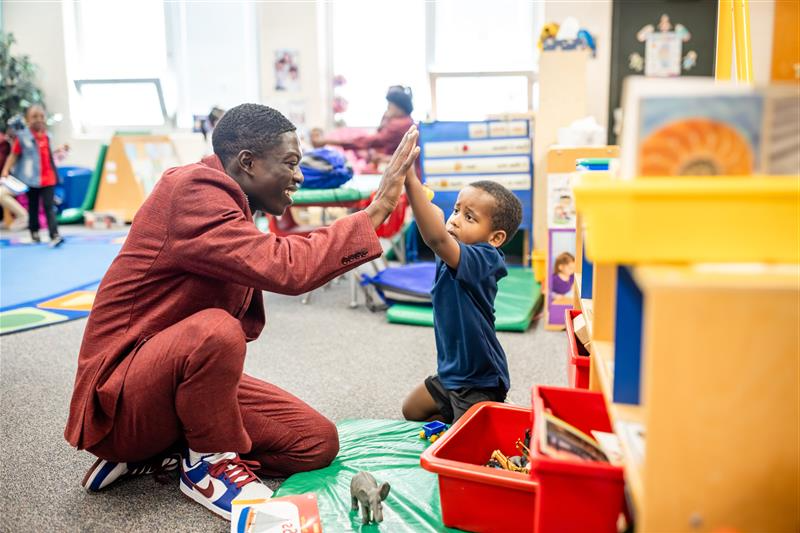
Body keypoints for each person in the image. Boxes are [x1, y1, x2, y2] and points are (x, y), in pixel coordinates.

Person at [67, 103, 420, 520]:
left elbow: (283, 254)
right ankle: (206, 465)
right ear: (247, 162)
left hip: (171, 379)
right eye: (290, 163)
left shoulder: (229, 203)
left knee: (316, 442)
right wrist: (376, 209)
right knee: (216, 331)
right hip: (120, 401)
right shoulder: (193, 191)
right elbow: (288, 266)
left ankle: (166, 451)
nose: (299, 176)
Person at [400, 166, 523, 424]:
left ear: (495, 237)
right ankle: (467, 415)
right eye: (457, 210)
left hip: (478, 378)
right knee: (411, 410)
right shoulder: (452, 247)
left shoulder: (485, 258)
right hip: (451, 372)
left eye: (469, 217)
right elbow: (435, 222)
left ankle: (493, 406)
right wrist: (419, 190)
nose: (455, 219)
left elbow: (436, 239)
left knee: (470, 447)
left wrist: (410, 181)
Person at [0, 105, 64, 246]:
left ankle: (54, 234)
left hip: (48, 178)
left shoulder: (47, 136)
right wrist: (5, 170)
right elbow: (13, 155)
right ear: (27, 119)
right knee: (33, 206)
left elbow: (48, 157)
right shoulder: (23, 137)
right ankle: (34, 232)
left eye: (41, 116)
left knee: (49, 206)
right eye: (34, 117)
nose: (39, 120)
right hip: (31, 179)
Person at [311, 85, 415, 168]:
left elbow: (370, 141)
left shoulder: (399, 125)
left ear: (399, 108)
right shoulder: (399, 121)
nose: (387, 109)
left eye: (389, 106)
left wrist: (326, 141)